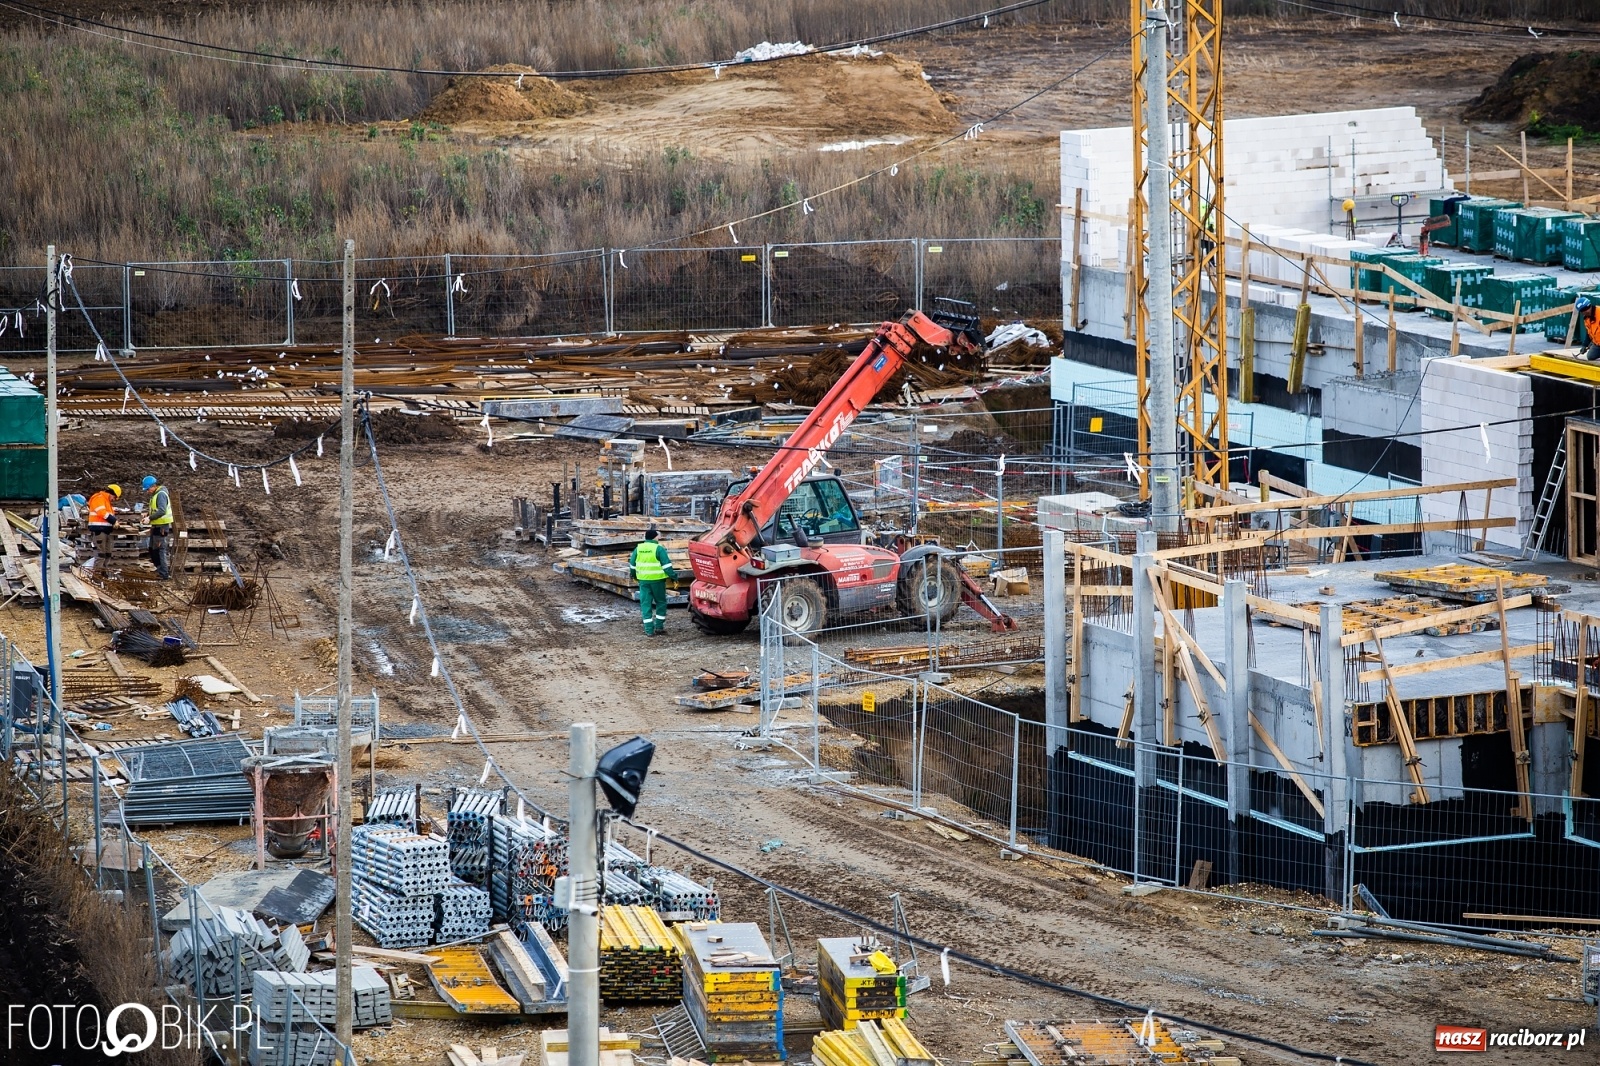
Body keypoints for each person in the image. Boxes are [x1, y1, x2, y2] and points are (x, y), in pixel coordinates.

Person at [628, 525, 676, 636]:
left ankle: (649, 630)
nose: (659, 538)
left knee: (645, 605)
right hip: (658, 581)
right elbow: (667, 566)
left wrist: (635, 577)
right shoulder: (659, 549)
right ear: (654, 537)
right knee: (660, 603)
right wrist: (674, 577)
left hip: (643, 581)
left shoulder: (638, 548)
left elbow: (632, 566)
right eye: (658, 536)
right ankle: (659, 627)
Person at [142, 475, 173, 579]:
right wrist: (148, 514)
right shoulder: (156, 494)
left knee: (160, 550)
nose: (147, 491)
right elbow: (157, 509)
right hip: (157, 526)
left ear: (153, 486)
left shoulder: (161, 494)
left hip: (162, 527)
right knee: (152, 549)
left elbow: (162, 510)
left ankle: (163, 574)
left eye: (148, 489)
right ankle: (159, 570)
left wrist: (150, 518)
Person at [85, 483, 121, 558]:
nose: (113, 500)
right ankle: (99, 570)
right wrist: (114, 521)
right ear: (111, 493)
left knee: (107, 554)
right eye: (114, 497)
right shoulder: (99, 498)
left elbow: (106, 513)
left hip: (106, 531)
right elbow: (102, 512)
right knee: (101, 555)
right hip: (99, 530)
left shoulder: (106, 501)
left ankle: (104, 569)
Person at [1578, 295, 1600, 361]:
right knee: (1591, 356)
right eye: (1582, 311)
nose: (1584, 312)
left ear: (1589, 306)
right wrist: (1584, 345)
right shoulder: (1586, 319)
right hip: (1598, 344)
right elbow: (1588, 333)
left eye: (1585, 310)